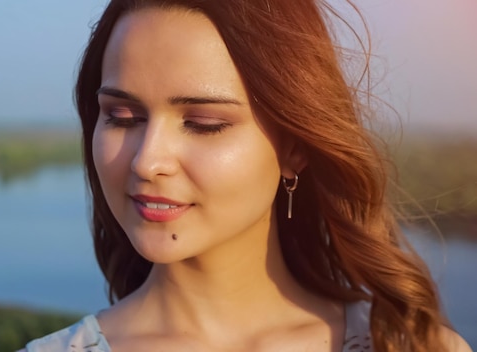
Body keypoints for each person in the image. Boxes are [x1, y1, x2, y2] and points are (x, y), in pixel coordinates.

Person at [23, 0, 472, 351]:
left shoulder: (408, 347)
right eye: (122, 116)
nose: (147, 161)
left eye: (203, 124)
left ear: (294, 148)